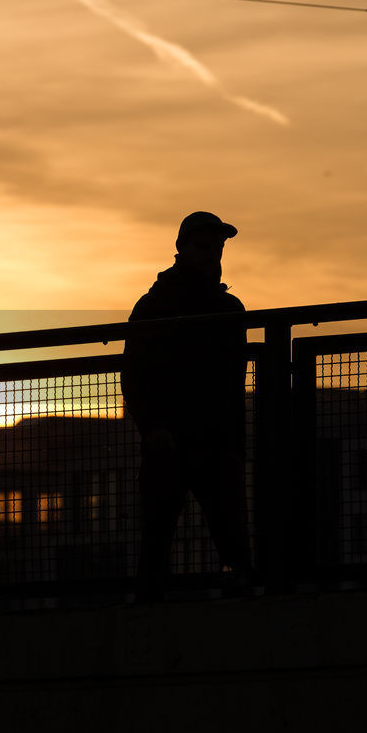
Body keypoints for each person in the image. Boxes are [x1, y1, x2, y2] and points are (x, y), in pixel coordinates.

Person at [121, 211, 254, 601]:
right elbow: (135, 377)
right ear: (181, 247)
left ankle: (154, 611)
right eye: (205, 246)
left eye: (217, 248)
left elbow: (231, 382)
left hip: (198, 444)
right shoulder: (218, 309)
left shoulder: (160, 306)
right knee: (180, 543)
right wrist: (155, 429)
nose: (213, 254)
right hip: (183, 444)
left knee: (169, 544)